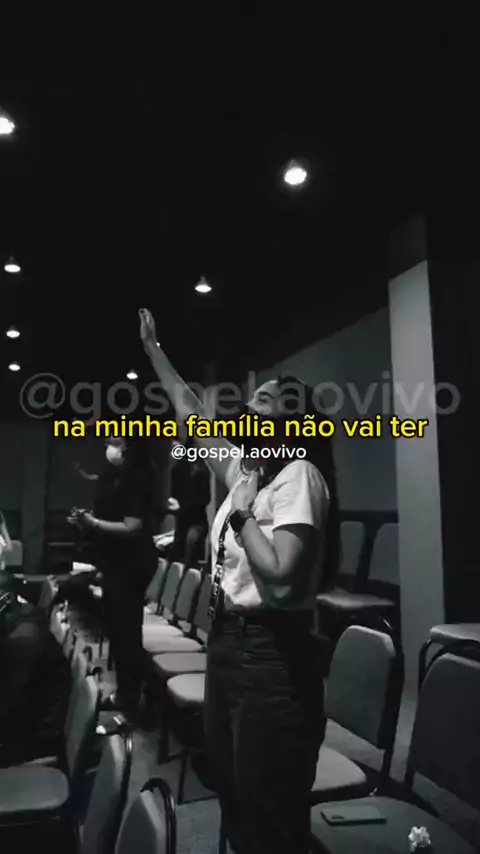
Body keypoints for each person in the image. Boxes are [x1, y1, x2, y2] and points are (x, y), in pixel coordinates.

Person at [139, 308, 340, 854]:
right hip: (228, 644)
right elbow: (190, 413)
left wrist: (244, 515)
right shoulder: (248, 474)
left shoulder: (300, 476)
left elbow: (280, 581)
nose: (250, 408)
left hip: (272, 656)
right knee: (232, 789)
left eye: (265, 402)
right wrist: (154, 349)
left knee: (266, 806)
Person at [68, 435, 157, 719]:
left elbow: (132, 526)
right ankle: (123, 693)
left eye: (114, 441)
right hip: (115, 563)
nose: (109, 446)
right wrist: (86, 521)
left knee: (127, 634)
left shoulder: (138, 477)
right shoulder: (116, 475)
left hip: (131, 565)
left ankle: (131, 701)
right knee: (117, 632)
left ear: (129, 446)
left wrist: (94, 523)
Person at [168, 437, 211, 566]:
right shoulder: (178, 470)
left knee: (191, 545)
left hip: (196, 520)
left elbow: (205, 498)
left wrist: (183, 505)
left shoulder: (202, 471)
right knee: (178, 554)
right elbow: (173, 494)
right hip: (183, 520)